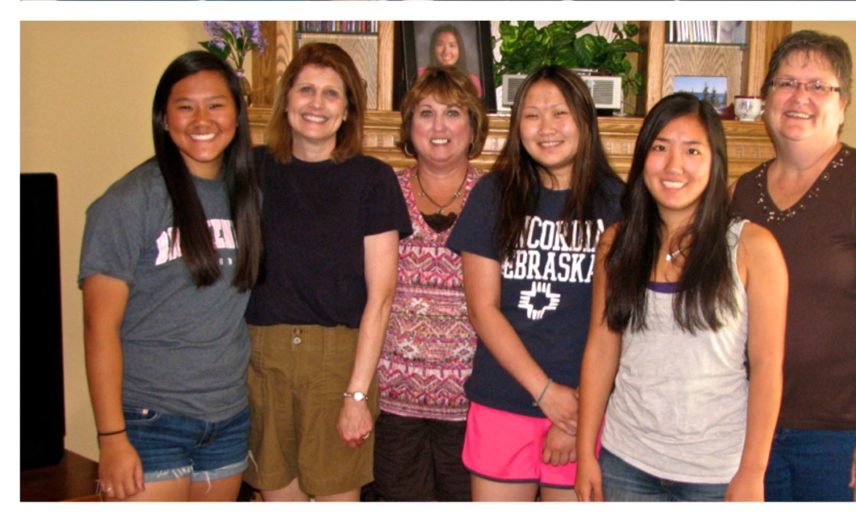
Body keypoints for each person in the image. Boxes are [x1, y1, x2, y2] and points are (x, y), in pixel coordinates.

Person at [730, 30, 856, 502]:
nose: (800, 97)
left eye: (819, 85)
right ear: (765, 98)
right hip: (750, 429)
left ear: (844, 104)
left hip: (842, 438)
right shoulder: (741, 191)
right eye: (786, 83)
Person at [574, 93, 788, 502]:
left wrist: (752, 471)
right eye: (660, 148)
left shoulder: (752, 248)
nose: (674, 166)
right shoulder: (615, 244)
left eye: (692, 150)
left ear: (714, 161)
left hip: (715, 472)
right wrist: (587, 454)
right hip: (625, 462)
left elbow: (767, 366)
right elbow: (601, 349)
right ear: (642, 160)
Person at [80, 50, 262, 501]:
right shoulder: (128, 202)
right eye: (185, 106)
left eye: (216, 104)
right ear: (164, 118)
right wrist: (112, 438)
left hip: (229, 418)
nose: (202, 119)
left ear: (237, 115)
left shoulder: (248, 196)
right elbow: (99, 327)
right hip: (150, 421)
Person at [446, 65, 625, 502]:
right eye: (532, 114)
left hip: (587, 406)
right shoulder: (493, 193)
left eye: (559, 113)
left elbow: (618, 321)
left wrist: (576, 413)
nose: (546, 128)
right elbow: (482, 308)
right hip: (504, 398)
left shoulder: (617, 202)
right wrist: (545, 394)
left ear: (584, 119)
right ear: (516, 124)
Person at [243, 42, 411, 502]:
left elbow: (381, 297)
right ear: (287, 99)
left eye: (331, 94)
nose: (316, 104)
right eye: (306, 90)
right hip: (264, 357)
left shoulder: (372, 181)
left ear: (348, 109)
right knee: (275, 498)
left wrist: (356, 396)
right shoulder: (252, 170)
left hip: (339, 363)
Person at [372, 66, 489, 501]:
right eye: (426, 112)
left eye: (454, 112)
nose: (439, 126)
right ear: (409, 127)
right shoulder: (384, 191)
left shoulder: (496, 196)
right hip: (393, 406)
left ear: (473, 127)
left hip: (474, 407)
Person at [418, 24, 483, 97]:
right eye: (440, 44)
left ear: (460, 49)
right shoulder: (421, 75)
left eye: (452, 45)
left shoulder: (472, 81)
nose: (446, 51)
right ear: (433, 48)